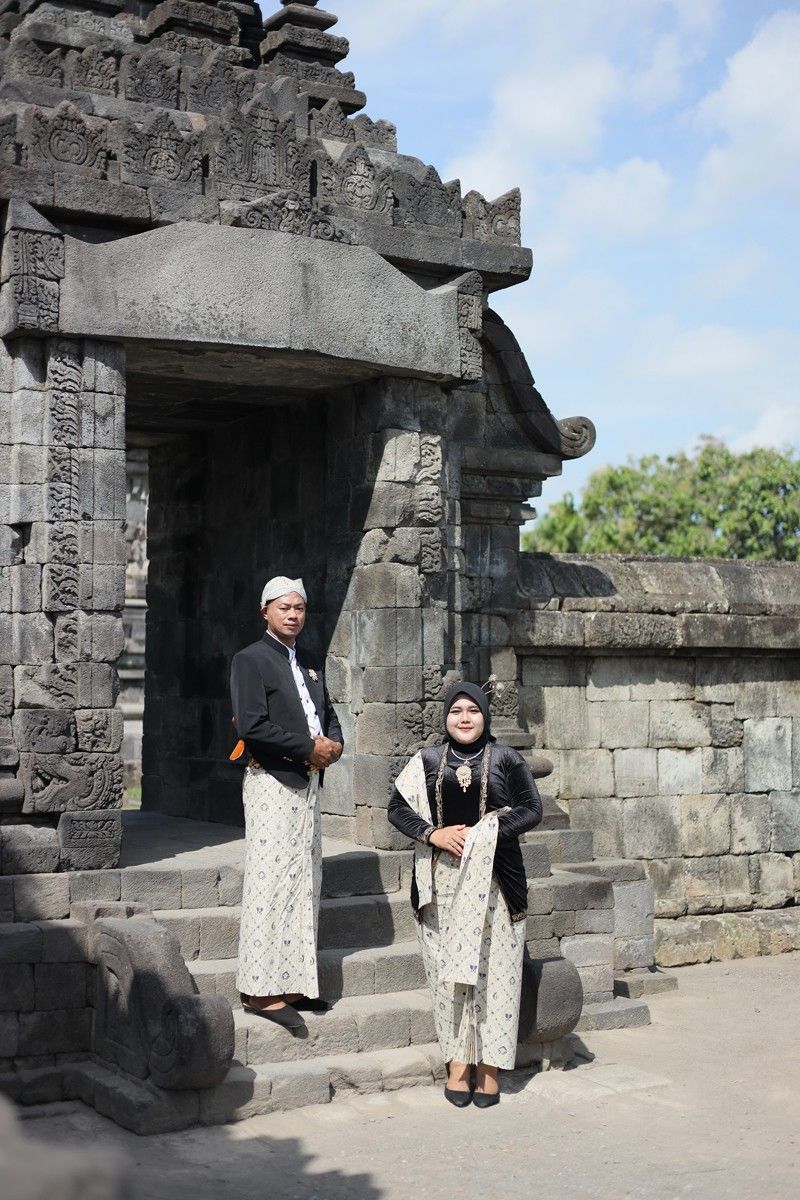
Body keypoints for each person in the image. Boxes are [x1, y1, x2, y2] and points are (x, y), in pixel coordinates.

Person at [387, 682, 542, 1107]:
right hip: (442, 886)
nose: (465, 718)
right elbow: (397, 808)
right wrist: (432, 834)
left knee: (497, 975)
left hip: (497, 884)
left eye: (473, 710)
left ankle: (489, 1067)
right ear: (445, 718)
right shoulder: (427, 761)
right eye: (456, 710)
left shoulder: (507, 759)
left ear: (485, 716)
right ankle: (457, 1063)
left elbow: (532, 809)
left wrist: (484, 834)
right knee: (447, 976)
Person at [230, 576, 343, 1028]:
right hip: (272, 782)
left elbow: (327, 713)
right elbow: (252, 726)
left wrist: (335, 744)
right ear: (265, 611)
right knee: (270, 882)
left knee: (304, 881)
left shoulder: (310, 661)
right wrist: (307, 748)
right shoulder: (250, 660)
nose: (293, 614)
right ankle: (260, 990)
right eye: (284, 607)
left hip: (309, 783)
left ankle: (294, 984)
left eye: (299, 607)